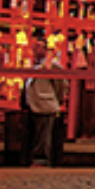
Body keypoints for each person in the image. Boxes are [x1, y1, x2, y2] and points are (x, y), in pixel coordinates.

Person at [24, 32, 67, 167]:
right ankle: (36, 157)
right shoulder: (35, 66)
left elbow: (61, 85)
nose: (35, 50)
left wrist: (57, 100)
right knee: (38, 133)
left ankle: (42, 159)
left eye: (38, 46)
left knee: (44, 134)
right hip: (35, 104)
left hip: (46, 104)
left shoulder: (52, 66)